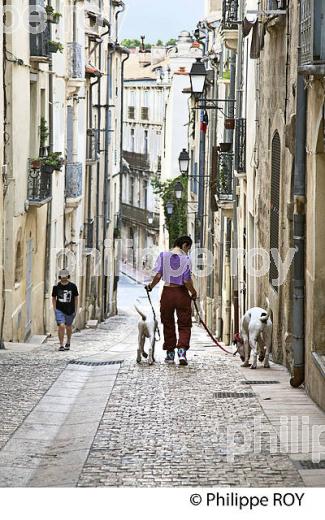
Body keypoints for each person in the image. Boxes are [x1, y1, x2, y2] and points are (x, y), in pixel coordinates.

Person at [146, 236, 197, 366]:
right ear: (184, 245)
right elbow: (186, 280)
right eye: (188, 248)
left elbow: (158, 275)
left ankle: (170, 353)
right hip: (181, 293)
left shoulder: (163, 256)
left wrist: (150, 287)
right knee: (185, 323)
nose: (188, 251)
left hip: (167, 292)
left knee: (167, 322)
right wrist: (193, 292)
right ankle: (181, 351)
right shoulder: (186, 259)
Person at [52, 269, 79, 351]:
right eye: (62, 276)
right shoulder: (56, 287)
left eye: (65, 276)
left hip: (70, 310)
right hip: (59, 310)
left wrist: (75, 309)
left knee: (68, 327)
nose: (64, 278)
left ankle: (68, 341)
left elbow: (76, 297)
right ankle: (61, 345)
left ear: (68, 276)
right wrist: (55, 309)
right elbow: (53, 298)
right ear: (60, 277)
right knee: (61, 326)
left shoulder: (73, 286)